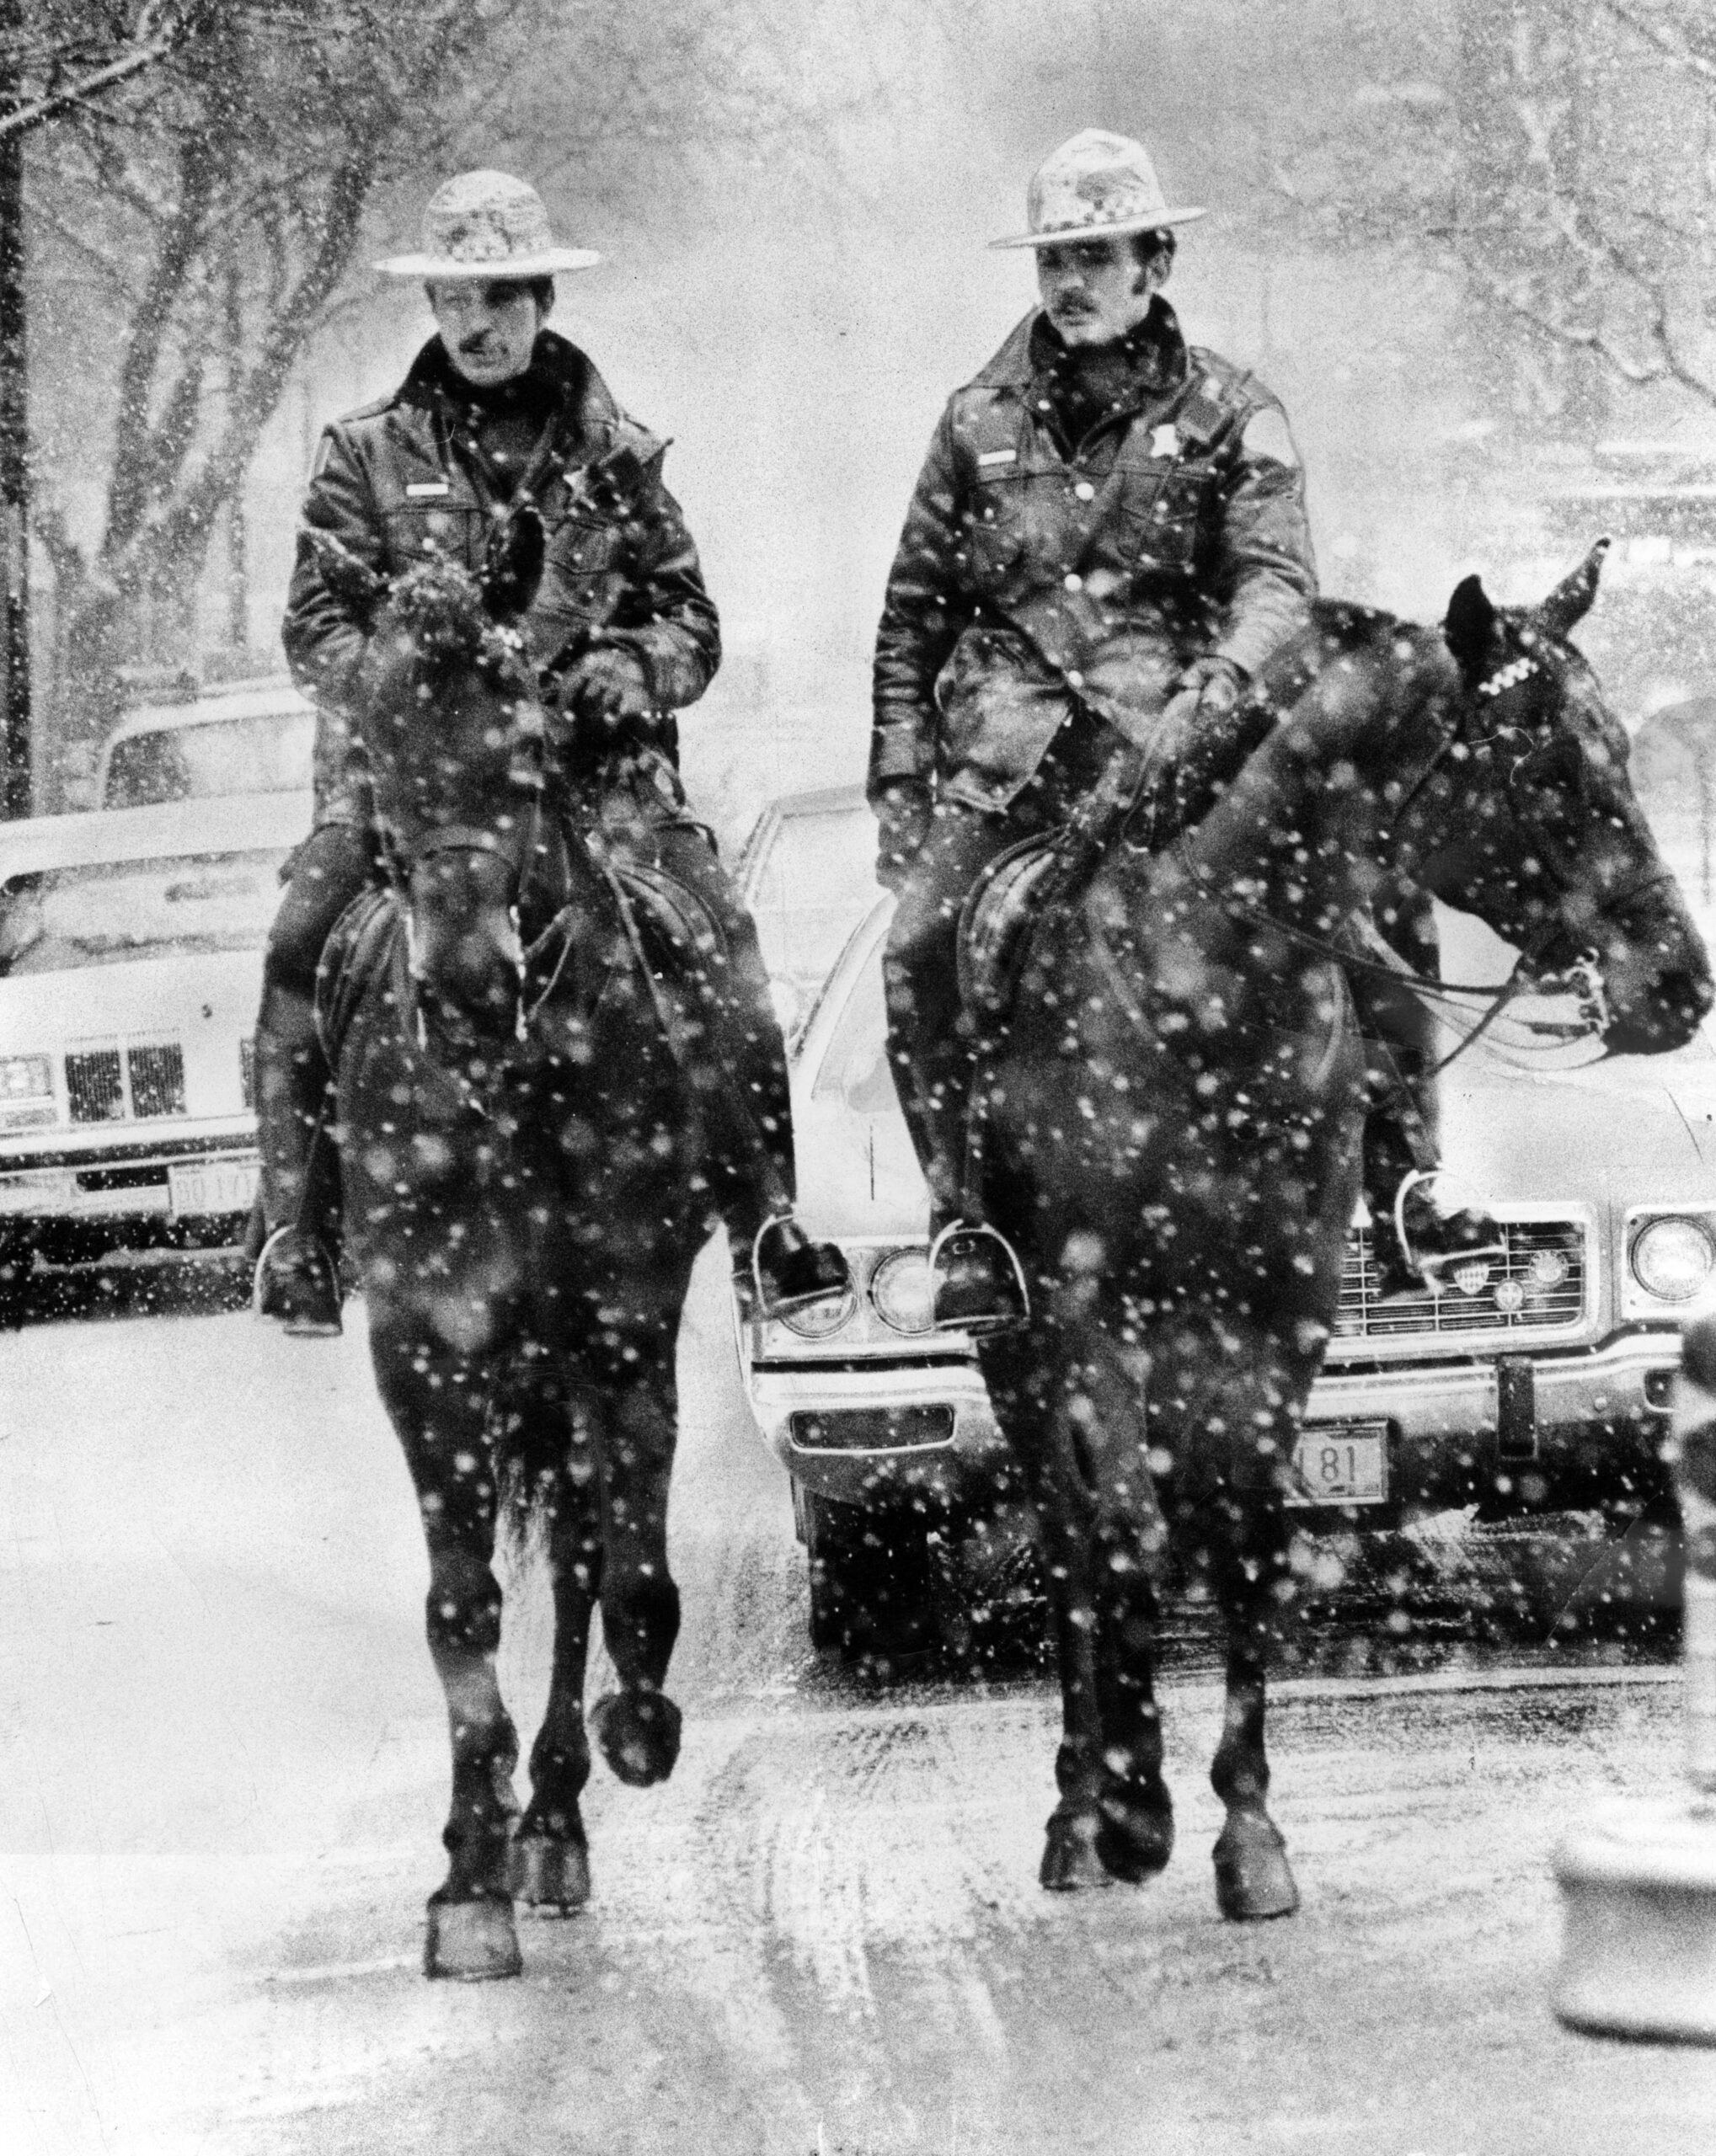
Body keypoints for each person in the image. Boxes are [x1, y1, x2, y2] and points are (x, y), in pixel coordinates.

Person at [869, 128, 1500, 1329]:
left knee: (1373, 905)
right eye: (1054, 257)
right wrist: (900, 787)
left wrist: (1216, 681)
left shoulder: (1229, 412)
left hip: (1187, 753)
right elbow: (911, 617)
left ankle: (1406, 1179)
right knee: (916, 948)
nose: (1070, 281)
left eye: (1096, 255)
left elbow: (1274, 582)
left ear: (1151, 263)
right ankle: (963, 1222)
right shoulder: (972, 421)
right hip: (1014, 767)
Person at [254, 168, 847, 1333]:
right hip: (415, 793)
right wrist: (405, 689)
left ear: (538, 299)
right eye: (451, 297)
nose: (473, 323)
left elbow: (688, 620)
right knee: (298, 942)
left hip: (594, 786)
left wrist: (632, 672)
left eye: (496, 296)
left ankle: (765, 1221)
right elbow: (313, 626)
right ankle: (296, 1226)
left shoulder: (618, 458)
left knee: (716, 936)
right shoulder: (361, 456)